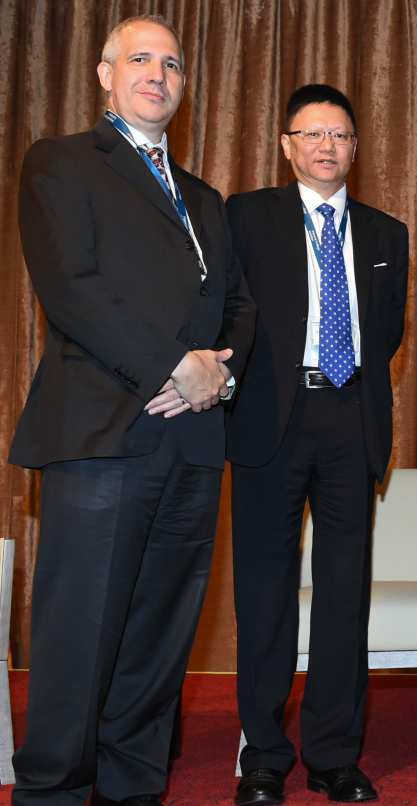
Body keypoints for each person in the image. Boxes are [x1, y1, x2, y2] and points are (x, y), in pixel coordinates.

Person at [8, 14, 256, 805]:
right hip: (103, 438)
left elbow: (242, 308)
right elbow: (72, 289)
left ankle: (131, 791)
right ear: (104, 75)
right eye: (141, 59)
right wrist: (171, 366)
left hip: (192, 443)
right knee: (81, 636)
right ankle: (51, 793)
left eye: (173, 64)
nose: (159, 73)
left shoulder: (206, 198)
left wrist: (216, 376)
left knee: (157, 642)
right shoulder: (61, 162)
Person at [225, 83, 409, 805]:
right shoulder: (245, 218)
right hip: (271, 419)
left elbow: (388, 333)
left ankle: (335, 755)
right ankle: (264, 757)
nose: (326, 146)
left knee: (343, 596)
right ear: (286, 145)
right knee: (264, 593)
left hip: (350, 419)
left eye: (339, 135)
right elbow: (227, 311)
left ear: (356, 148)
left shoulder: (387, 233)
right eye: (312, 134)